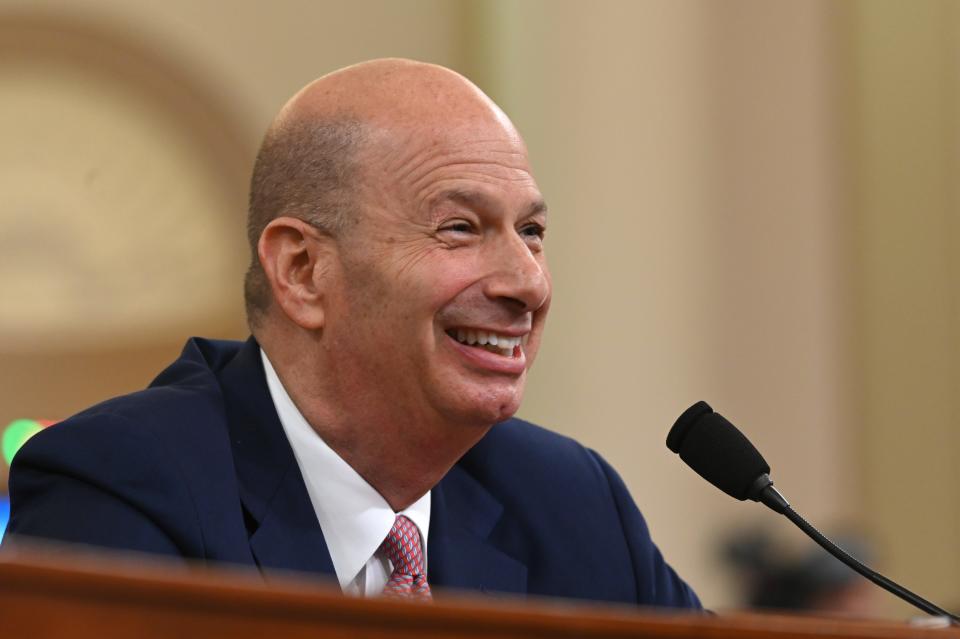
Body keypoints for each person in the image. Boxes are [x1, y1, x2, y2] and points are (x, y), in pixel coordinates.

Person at [5, 59, 700, 607]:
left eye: (532, 232)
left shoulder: (571, 502)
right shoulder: (119, 486)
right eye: (460, 227)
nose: (528, 284)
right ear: (303, 271)